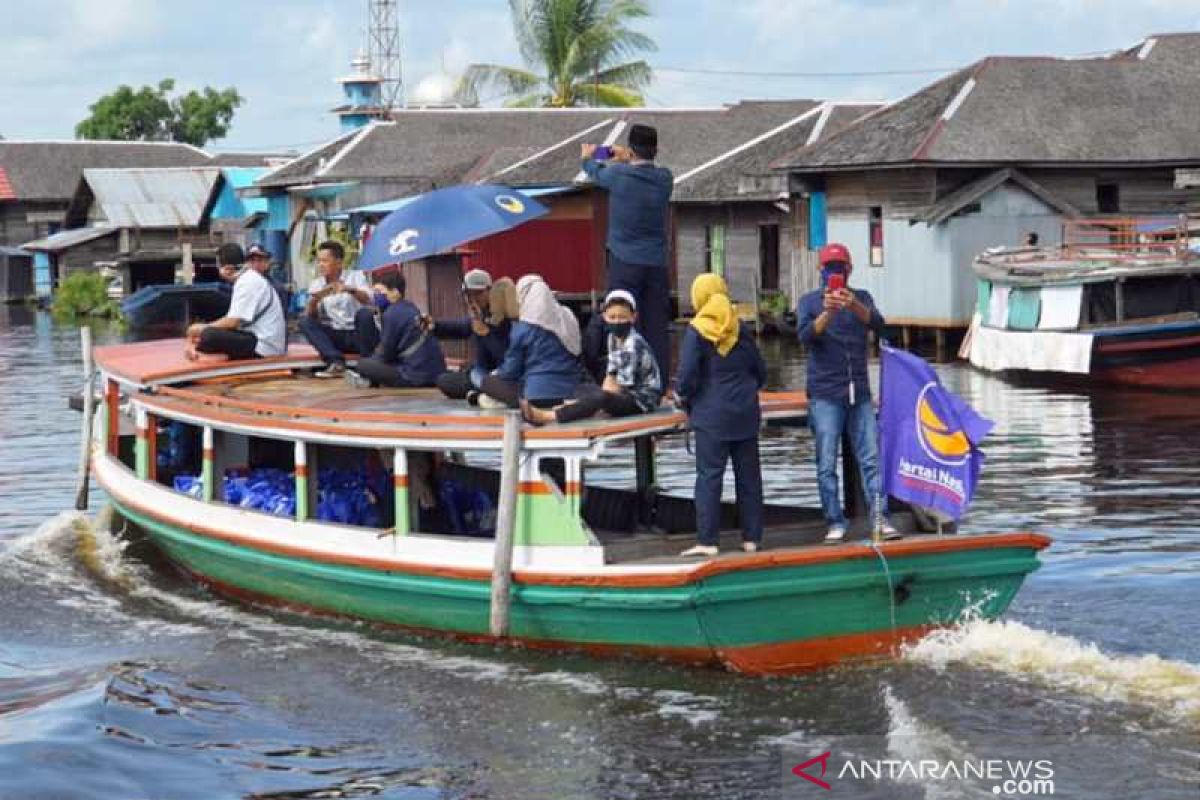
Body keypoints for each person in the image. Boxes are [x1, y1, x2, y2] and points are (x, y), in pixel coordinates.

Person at [797, 242, 898, 543]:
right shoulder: (809, 302)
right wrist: (827, 312)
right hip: (825, 393)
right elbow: (804, 336)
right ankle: (834, 521)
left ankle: (881, 518)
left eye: (839, 268)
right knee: (826, 462)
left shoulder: (862, 298)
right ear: (821, 271)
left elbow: (881, 326)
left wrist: (853, 304)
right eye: (829, 268)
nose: (834, 274)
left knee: (870, 458)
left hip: (860, 393)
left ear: (849, 270)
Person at [675, 274, 766, 557]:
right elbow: (760, 372)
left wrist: (683, 397)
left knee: (710, 478)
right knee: (749, 479)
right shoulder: (741, 328)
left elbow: (688, 375)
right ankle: (752, 539)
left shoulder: (697, 330)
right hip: (745, 413)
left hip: (711, 416)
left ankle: (708, 541)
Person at [581, 123, 673, 378]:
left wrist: (595, 154)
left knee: (619, 320)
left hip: (625, 260)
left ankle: (622, 377)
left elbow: (590, 167)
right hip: (656, 262)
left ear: (631, 151)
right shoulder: (665, 178)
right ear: (656, 150)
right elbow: (637, 161)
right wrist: (626, 155)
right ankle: (660, 382)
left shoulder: (618, 175)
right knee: (656, 325)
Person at [523, 289, 663, 425]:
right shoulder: (612, 338)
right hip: (622, 393)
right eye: (612, 317)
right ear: (604, 317)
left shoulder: (633, 344)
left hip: (641, 400)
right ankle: (581, 408)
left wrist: (596, 402)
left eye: (622, 317)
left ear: (633, 317)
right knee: (582, 389)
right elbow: (611, 376)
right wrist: (592, 401)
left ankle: (548, 416)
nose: (617, 322)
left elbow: (621, 388)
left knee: (600, 398)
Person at [479, 275, 583, 409]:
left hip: (536, 396)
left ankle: (509, 402)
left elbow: (510, 371)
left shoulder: (522, 329)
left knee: (487, 381)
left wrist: (498, 373)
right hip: (571, 391)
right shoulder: (568, 317)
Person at [185, 243, 286, 361]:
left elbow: (233, 322)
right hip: (256, 336)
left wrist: (203, 328)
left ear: (227, 268)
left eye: (219, 266)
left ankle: (204, 354)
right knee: (208, 333)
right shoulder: (247, 279)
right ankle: (213, 354)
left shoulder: (247, 282)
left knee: (209, 335)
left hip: (265, 346)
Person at [429, 269, 518, 401]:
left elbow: (508, 357)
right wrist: (434, 326)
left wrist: (486, 334)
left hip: (504, 373)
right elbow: (460, 327)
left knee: (477, 374)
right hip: (483, 371)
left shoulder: (504, 314)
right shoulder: (479, 314)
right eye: (468, 294)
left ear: (490, 291)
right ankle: (486, 392)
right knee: (445, 380)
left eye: (477, 293)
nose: (472, 298)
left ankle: (491, 392)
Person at [354, 272, 446, 388]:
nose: (376, 296)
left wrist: (371, 362)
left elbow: (385, 354)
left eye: (379, 292)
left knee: (363, 365)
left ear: (395, 292)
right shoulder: (410, 307)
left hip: (414, 376)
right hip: (436, 374)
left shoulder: (392, 313)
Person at [299, 240, 374, 378]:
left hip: (358, 334)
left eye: (325, 261)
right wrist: (315, 300)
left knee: (365, 314)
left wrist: (350, 289)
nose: (321, 265)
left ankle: (369, 363)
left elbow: (368, 300)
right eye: (319, 261)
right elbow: (311, 316)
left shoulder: (356, 276)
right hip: (337, 334)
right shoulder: (317, 284)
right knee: (304, 321)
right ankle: (335, 362)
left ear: (339, 262)